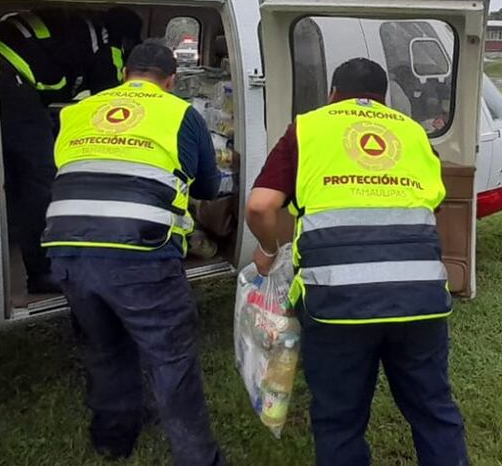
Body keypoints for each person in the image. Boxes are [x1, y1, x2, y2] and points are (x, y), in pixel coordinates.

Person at [245, 57, 468, 466]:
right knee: (434, 410)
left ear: (332, 93)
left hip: (336, 302)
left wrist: (269, 250)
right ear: (383, 99)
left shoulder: (308, 128)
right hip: (419, 298)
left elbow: (261, 206)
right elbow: (431, 204)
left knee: (339, 419)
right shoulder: (413, 132)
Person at [42, 41, 225, 465]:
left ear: (125, 72)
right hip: (139, 251)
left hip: (67, 247)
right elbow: (208, 189)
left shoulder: (78, 110)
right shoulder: (181, 113)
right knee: (170, 357)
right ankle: (198, 459)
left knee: (103, 346)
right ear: (171, 80)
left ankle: (113, 438)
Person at [0, 8, 139, 294]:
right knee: (41, 175)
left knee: (16, 170)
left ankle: (16, 237)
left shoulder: (79, 29)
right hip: (9, 76)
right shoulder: (106, 43)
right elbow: (111, 99)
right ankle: (41, 272)